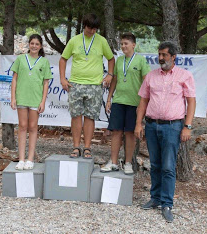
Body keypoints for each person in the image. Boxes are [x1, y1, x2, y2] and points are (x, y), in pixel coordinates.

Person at [134, 41, 196, 223]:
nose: (161, 58)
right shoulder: (151, 76)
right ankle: (155, 198)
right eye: (159, 55)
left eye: (164, 55)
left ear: (173, 57)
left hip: (173, 126)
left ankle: (167, 203)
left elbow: (191, 102)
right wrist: (139, 124)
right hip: (152, 125)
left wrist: (188, 126)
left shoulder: (184, 76)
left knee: (168, 166)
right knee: (155, 164)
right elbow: (143, 101)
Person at [59, 13, 115, 159]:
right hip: (76, 84)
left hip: (95, 85)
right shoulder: (75, 40)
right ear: (85, 26)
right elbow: (63, 59)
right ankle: (76, 146)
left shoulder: (101, 41)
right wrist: (62, 79)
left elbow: (111, 58)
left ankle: (87, 147)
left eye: (95, 29)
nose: (92, 31)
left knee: (90, 117)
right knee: (76, 116)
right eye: (90, 28)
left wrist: (109, 74)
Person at [101, 32, 150, 175]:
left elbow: (146, 82)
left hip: (134, 103)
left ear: (133, 45)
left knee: (129, 133)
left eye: (126, 44)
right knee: (116, 132)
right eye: (121, 44)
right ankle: (114, 162)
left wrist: (144, 103)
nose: (123, 46)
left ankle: (128, 163)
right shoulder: (119, 60)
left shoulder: (141, 60)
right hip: (118, 101)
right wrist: (109, 98)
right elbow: (114, 80)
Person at [10, 34, 52, 170]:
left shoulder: (44, 62)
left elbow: (46, 83)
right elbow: (14, 79)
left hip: (35, 98)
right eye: (32, 43)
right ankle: (21, 159)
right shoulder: (21, 59)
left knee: (33, 127)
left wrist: (43, 101)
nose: (34, 46)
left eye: (37, 44)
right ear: (29, 44)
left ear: (40, 46)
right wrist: (13, 97)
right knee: (22, 126)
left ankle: (30, 159)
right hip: (22, 96)